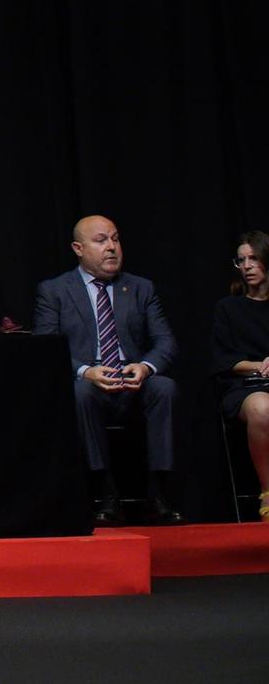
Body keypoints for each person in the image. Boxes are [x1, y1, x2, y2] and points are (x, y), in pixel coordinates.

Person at [33, 215, 181, 526]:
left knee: (164, 387)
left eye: (115, 239)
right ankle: (105, 492)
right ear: (78, 248)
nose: (111, 247)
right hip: (90, 386)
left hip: (133, 383)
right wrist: (86, 371)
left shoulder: (141, 288)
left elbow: (165, 341)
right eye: (101, 241)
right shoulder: (54, 291)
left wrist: (144, 365)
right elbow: (46, 348)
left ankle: (158, 493)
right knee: (81, 392)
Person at [210, 230, 269, 521]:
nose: (246, 266)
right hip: (245, 387)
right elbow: (223, 361)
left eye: (253, 258)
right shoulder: (229, 308)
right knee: (262, 408)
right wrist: (260, 365)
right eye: (241, 260)